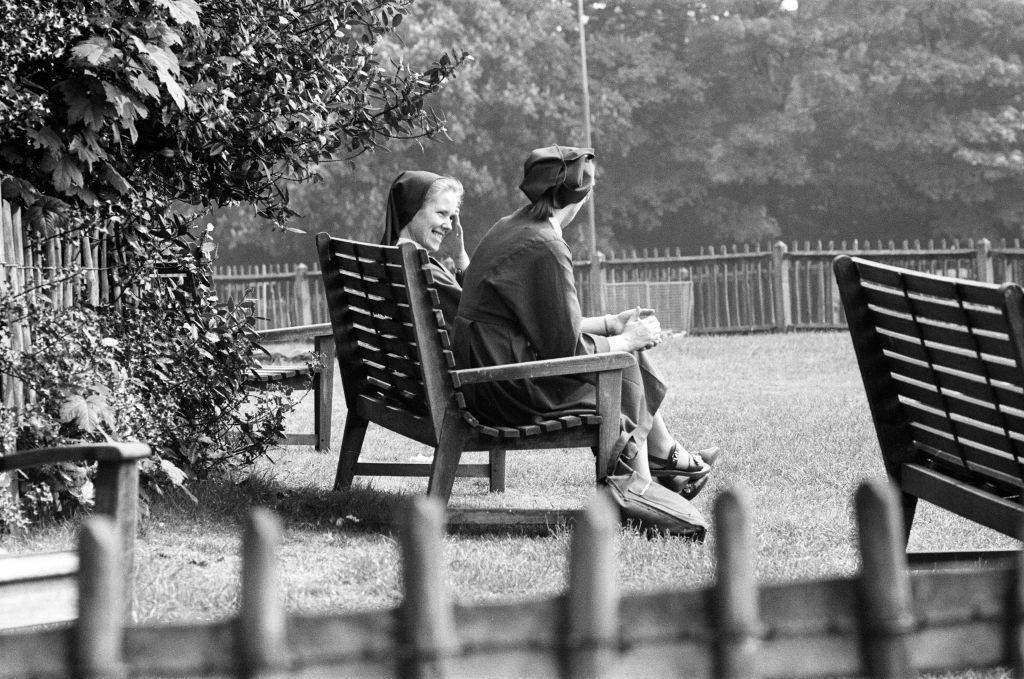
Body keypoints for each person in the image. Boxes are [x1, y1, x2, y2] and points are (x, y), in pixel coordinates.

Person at [451, 145, 721, 516]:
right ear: (580, 197)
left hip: (484, 375)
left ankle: (669, 460)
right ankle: (643, 493)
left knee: (624, 355)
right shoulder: (546, 245)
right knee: (622, 362)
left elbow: (546, 326)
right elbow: (566, 349)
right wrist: (624, 340)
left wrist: (612, 325)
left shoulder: (510, 227)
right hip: (506, 388)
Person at [380, 170, 469, 328]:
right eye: (441, 213)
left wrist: (458, 254)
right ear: (411, 211)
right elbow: (482, 321)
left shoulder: (387, 260)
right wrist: (461, 258)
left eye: (451, 217)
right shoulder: (424, 272)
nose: (449, 226)